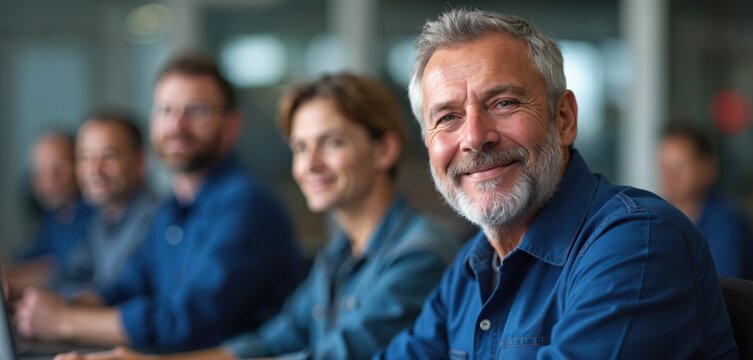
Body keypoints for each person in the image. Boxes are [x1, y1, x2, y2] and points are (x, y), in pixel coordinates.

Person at [377, 9, 737, 358]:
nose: (474, 137)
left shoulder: (640, 241)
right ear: (427, 143)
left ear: (563, 118)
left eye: (504, 103)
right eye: (448, 117)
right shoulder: (473, 267)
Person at [55, 73, 461, 360]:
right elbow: (271, 341)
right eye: (300, 147)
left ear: (384, 149)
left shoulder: (419, 252)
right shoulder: (337, 256)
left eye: (331, 143)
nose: (309, 164)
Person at [15, 53, 303, 352]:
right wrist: (51, 306)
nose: (176, 124)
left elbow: (183, 324)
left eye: (196, 110)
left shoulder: (246, 206)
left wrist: (66, 321)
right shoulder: (171, 210)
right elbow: (126, 288)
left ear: (231, 125)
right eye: (165, 110)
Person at [63, 111, 161, 295]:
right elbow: (74, 275)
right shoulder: (98, 217)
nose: (94, 170)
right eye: (85, 158)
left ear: (140, 160)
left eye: (109, 156)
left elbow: (129, 295)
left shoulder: (159, 220)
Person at [658, 126, 753, 279]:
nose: (670, 176)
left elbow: (722, 290)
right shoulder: (659, 219)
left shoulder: (726, 222)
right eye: (664, 167)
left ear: (707, 168)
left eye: (680, 166)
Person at [7, 132, 93, 298]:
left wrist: (15, 280)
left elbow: (65, 268)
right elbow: (35, 253)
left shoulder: (93, 212)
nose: (49, 179)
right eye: (40, 170)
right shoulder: (53, 214)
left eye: (59, 168)